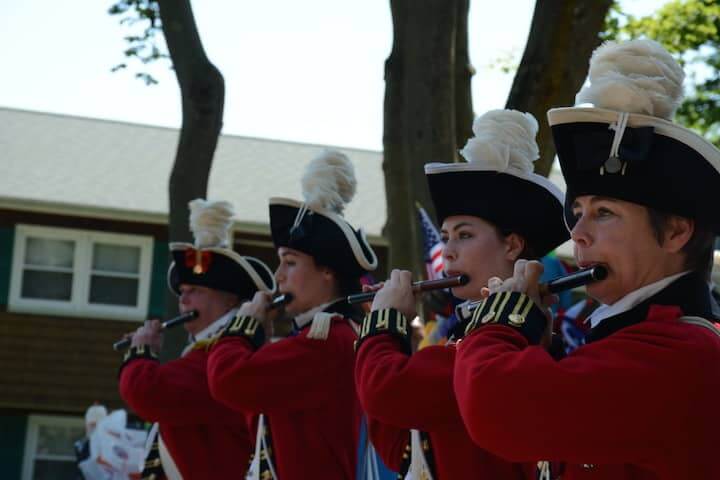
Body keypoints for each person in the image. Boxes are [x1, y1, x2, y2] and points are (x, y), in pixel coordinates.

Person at [453, 39, 720, 479]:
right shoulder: (640, 341)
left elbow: (495, 407)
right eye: (578, 213)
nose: (577, 233)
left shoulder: (681, 353)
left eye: (604, 213)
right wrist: (537, 341)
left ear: (675, 230)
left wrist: (499, 322)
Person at [354, 109, 568, 479]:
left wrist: (383, 323)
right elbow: (399, 447)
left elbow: (386, 391)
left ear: (512, 246)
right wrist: (387, 329)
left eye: (465, 235)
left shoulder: (505, 342)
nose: (447, 250)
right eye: (446, 236)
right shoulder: (467, 336)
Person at [206, 150, 378, 479]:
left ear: (327, 272)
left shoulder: (326, 339)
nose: (278, 275)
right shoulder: (320, 335)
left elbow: (228, 380)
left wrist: (243, 324)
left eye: (291, 262)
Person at [118, 199, 275, 479]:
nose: (184, 299)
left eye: (196, 291)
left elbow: (147, 392)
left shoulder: (219, 354)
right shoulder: (212, 350)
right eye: (182, 292)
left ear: (229, 300)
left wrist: (141, 352)